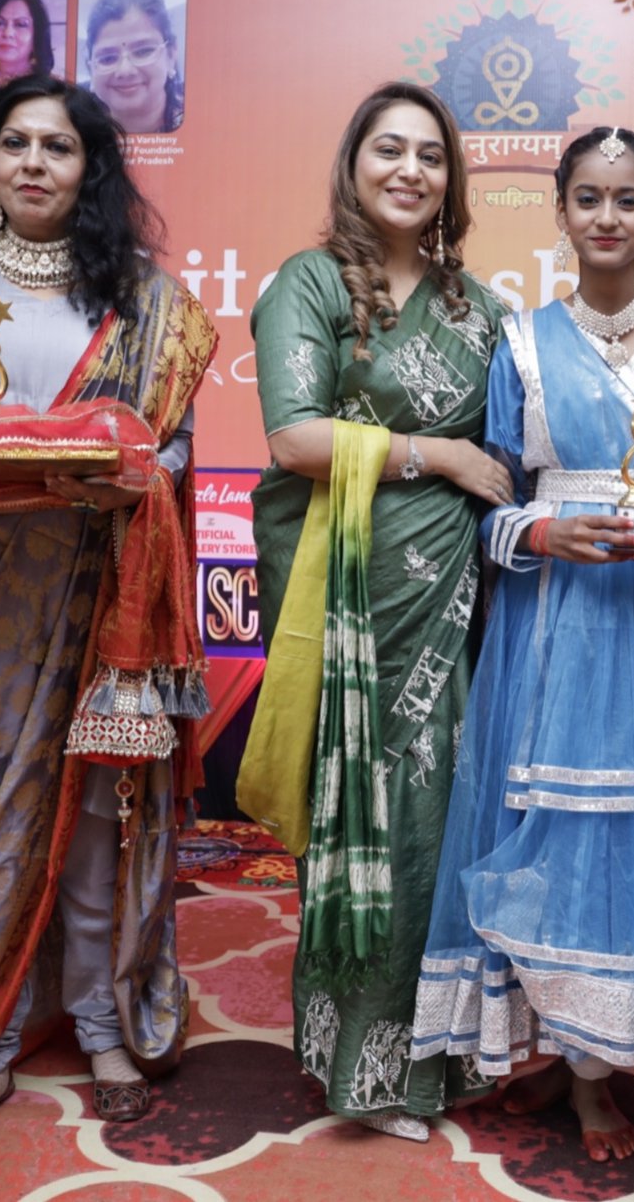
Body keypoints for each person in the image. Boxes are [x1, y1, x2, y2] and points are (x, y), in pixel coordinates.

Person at [0, 75, 216, 1152]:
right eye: (15, 143)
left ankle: (105, 1030)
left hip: (94, 580)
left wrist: (135, 479)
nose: (33, 162)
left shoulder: (140, 294)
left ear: (89, 170)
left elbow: (172, 442)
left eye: (57, 147)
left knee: (99, 812)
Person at [412, 127, 634, 1163]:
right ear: (560, 212)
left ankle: (600, 1066)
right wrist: (543, 533)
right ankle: (557, 1049)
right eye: (588, 198)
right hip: (550, 624)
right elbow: (489, 503)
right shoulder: (520, 342)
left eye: (627, 199)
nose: (606, 217)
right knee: (550, 833)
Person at [239, 82, 509, 1143]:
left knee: (444, 815)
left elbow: (513, 450)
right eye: (388, 150)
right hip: (349, 595)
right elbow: (294, 439)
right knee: (366, 807)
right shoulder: (308, 284)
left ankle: (444, 1052)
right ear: (353, 166)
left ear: (451, 179)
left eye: (430, 155)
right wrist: (435, 454)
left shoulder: (478, 309)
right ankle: (364, 1061)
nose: (409, 170)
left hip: (456, 597)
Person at [83, 0, 184, 135]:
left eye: (143, 51)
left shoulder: (204, 121)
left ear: (170, 55)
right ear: (90, 68)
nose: (125, 70)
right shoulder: (75, 131)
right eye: (108, 58)